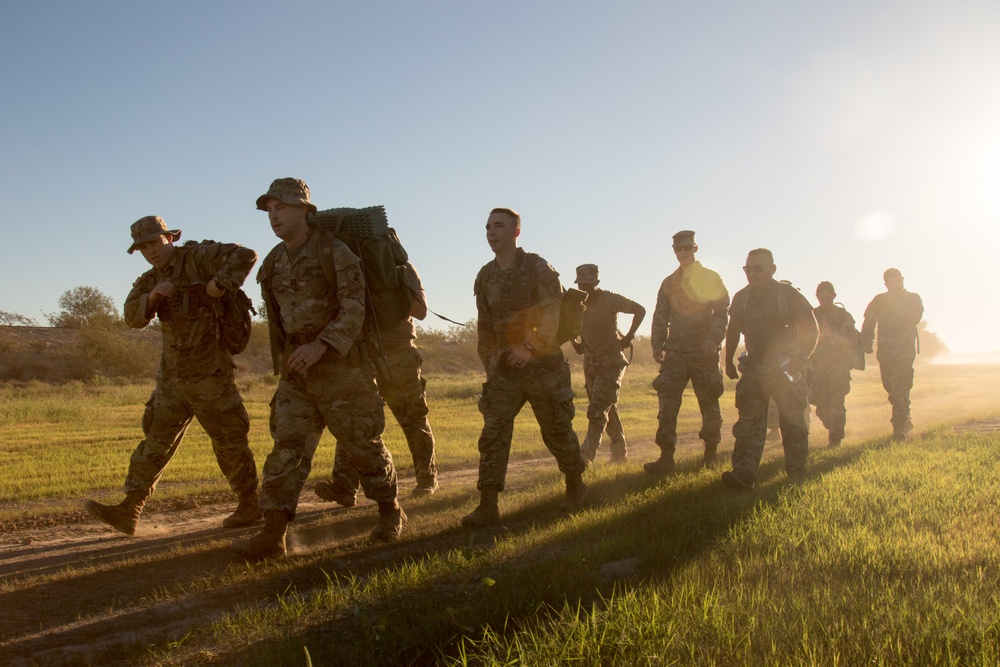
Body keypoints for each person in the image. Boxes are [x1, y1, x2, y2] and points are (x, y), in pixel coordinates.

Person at [231, 178, 404, 559]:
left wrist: (322, 344)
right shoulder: (274, 261)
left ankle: (390, 511)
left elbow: (354, 307)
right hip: (298, 372)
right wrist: (289, 361)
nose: (274, 216)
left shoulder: (335, 252)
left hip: (342, 368)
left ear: (304, 210)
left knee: (363, 446)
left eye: (282, 207)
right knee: (287, 447)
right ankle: (273, 534)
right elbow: (278, 322)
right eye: (270, 210)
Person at [86, 216, 261, 535]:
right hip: (173, 378)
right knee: (156, 441)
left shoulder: (199, 258)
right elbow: (130, 317)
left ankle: (250, 504)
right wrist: (152, 298)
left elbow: (246, 254)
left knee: (229, 442)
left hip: (211, 374)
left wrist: (218, 284)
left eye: (154, 242)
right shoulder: (149, 280)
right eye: (142, 247)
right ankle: (131, 508)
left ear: (170, 238)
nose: (150, 250)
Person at [462, 207, 588, 527]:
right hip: (506, 367)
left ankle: (575, 486)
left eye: (499, 226)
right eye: (488, 226)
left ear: (516, 231)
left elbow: (552, 314)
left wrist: (530, 346)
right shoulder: (485, 275)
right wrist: (492, 363)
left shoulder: (537, 267)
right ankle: (488, 504)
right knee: (493, 433)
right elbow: (485, 328)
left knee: (557, 430)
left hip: (543, 363)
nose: (492, 232)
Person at [316, 261, 440, 505]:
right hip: (362, 354)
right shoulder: (347, 267)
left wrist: (387, 293)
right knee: (355, 423)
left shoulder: (399, 268)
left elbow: (421, 311)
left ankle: (427, 479)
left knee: (412, 418)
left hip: (397, 352)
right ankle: (344, 486)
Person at [721, 248, 818, 491]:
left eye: (758, 268)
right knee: (749, 423)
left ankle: (796, 472)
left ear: (773, 269)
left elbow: (812, 329)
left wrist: (803, 359)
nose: (752, 273)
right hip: (754, 368)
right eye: (748, 269)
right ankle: (744, 475)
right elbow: (732, 330)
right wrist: (728, 360)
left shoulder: (788, 295)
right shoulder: (741, 298)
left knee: (792, 422)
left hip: (787, 367)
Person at [645, 230, 729, 473]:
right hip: (676, 353)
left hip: (704, 353)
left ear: (695, 248)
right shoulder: (669, 282)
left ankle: (710, 454)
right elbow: (660, 315)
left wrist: (712, 340)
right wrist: (656, 344)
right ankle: (666, 457)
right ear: (674, 251)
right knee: (667, 403)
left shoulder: (710, 278)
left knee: (709, 403)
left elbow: (721, 313)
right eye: (678, 249)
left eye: (686, 248)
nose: (682, 252)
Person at [570, 263, 645, 465]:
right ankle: (620, 455)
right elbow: (566, 323)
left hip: (611, 362)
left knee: (597, 410)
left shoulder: (610, 299)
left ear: (597, 282)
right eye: (581, 284)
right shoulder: (575, 303)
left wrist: (628, 337)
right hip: (590, 363)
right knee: (607, 408)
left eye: (588, 284)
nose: (584, 288)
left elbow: (640, 310)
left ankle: (585, 456)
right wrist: (575, 342)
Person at [861, 268, 924, 440]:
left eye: (898, 281)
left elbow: (914, 318)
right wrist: (867, 341)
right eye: (891, 282)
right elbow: (869, 321)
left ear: (903, 280)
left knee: (900, 388)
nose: (895, 285)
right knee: (890, 387)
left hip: (904, 351)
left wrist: (896, 304)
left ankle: (898, 429)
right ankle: (905, 417)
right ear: (886, 284)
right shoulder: (880, 300)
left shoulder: (913, 299)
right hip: (886, 352)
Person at [809, 281, 858, 447]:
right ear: (817, 297)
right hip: (818, 365)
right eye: (821, 298)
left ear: (834, 296)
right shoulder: (811, 315)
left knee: (836, 400)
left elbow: (852, 342)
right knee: (817, 400)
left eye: (827, 297)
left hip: (839, 364)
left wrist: (832, 337)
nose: (824, 301)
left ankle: (835, 439)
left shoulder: (843, 316)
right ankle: (835, 427)